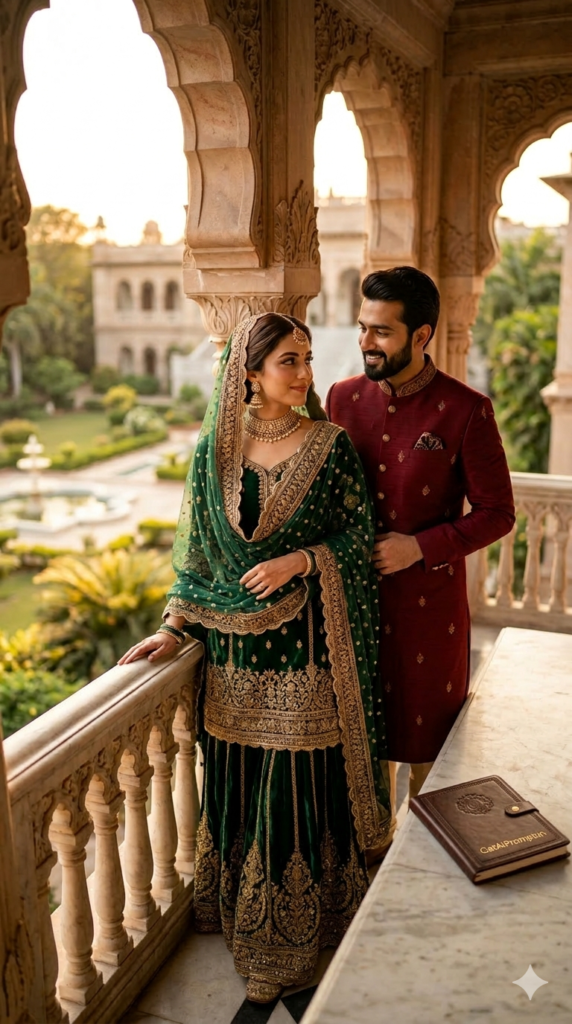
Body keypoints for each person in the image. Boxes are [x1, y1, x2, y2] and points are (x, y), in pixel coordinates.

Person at [119, 312, 390, 1003]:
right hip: (233, 664)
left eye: (306, 359)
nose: (304, 374)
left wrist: (303, 558)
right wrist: (175, 629)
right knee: (240, 780)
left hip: (304, 658)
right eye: (288, 362)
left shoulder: (329, 446)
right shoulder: (214, 451)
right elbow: (199, 559)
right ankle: (236, 913)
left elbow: (361, 542)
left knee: (294, 787)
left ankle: (287, 941)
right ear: (249, 373)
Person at [326, 267, 515, 840]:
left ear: (422, 335)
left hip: (430, 616)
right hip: (353, 611)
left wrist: (420, 548)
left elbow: (497, 513)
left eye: (382, 332)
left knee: (430, 758)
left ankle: (426, 875)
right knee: (363, 750)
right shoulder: (341, 399)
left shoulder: (465, 410)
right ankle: (371, 869)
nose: (366, 342)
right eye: (363, 328)